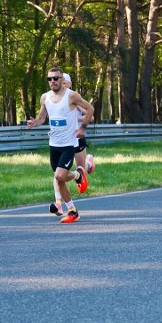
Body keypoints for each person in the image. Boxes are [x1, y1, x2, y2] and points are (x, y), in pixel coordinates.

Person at [28, 67, 94, 223]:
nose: (52, 82)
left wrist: (82, 128)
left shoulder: (71, 96)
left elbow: (90, 109)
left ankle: (78, 175)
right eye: (49, 79)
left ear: (62, 80)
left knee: (59, 175)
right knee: (59, 180)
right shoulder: (45, 97)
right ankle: (72, 211)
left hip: (68, 144)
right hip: (54, 145)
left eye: (56, 78)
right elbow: (42, 117)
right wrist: (34, 123)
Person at [48, 73, 95, 216]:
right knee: (58, 174)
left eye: (64, 83)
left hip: (76, 136)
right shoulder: (53, 98)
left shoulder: (73, 98)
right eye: (51, 80)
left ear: (68, 83)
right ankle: (58, 204)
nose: (60, 85)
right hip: (62, 139)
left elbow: (90, 116)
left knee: (81, 169)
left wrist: (75, 119)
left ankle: (88, 164)